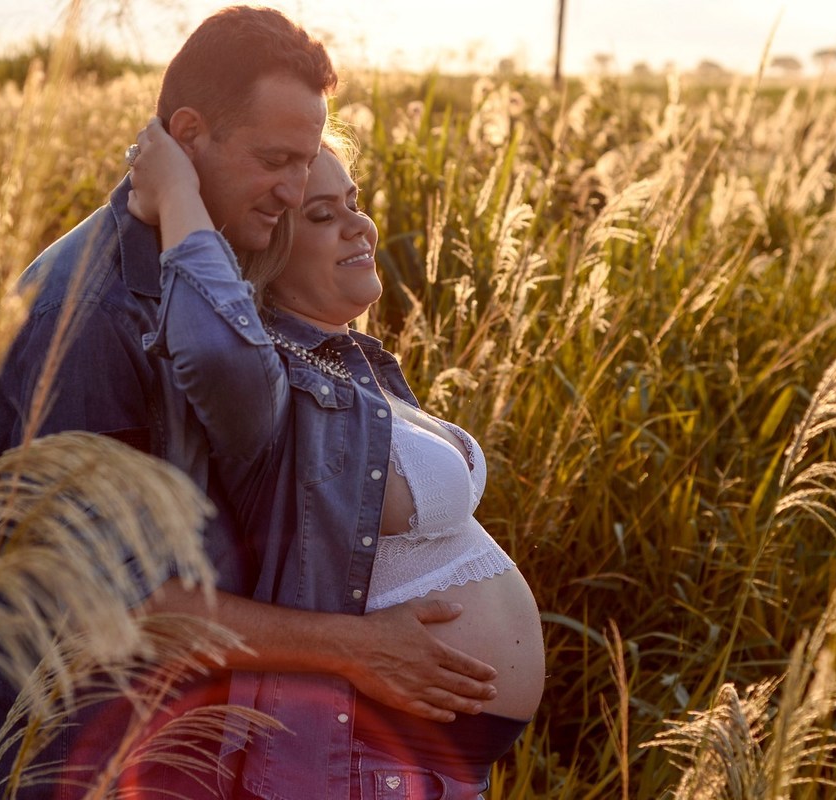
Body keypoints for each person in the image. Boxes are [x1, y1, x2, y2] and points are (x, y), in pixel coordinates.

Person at [0, 6, 496, 799]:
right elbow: (98, 600)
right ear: (187, 134)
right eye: (276, 160)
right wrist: (349, 648)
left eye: (307, 162)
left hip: (184, 743)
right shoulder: (89, 317)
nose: (293, 189)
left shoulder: (206, 268)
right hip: (85, 756)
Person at [126, 114, 546, 798]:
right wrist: (179, 195)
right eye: (323, 216)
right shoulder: (270, 388)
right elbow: (213, 352)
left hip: (426, 763)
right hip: (359, 758)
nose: (361, 226)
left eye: (354, 202)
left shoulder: (351, 364)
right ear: (264, 247)